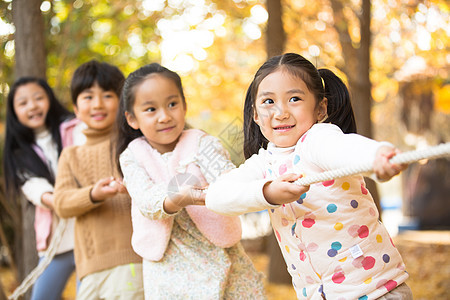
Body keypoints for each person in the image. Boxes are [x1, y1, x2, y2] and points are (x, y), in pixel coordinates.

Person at [206, 53, 413, 300]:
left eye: (294, 99)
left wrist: (376, 155)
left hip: (375, 290)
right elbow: (217, 196)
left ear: (320, 108)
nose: (280, 112)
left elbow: (346, 150)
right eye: (268, 102)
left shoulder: (318, 141)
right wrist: (267, 192)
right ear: (255, 114)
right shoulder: (263, 164)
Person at [116, 63, 266, 299]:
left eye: (172, 104)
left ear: (184, 106)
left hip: (219, 254)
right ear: (132, 118)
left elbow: (227, 178)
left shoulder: (202, 143)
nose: (164, 116)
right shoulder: (132, 156)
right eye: (151, 109)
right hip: (169, 266)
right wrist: (177, 198)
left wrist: (241, 188)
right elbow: (146, 200)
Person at [53, 60, 144, 299]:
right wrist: (93, 194)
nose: (98, 104)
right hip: (89, 269)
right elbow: (61, 203)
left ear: (122, 101)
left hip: (132, 260)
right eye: (88, 97)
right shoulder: (70, 155)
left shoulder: (134, 145)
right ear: (75, 108)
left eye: (107, 95)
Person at [2, 77, 82, 300]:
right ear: (14, 111)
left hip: (90, 233)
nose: (33, 106)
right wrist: (58, 200)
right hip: (57, 242)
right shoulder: (18, 153)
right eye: (23, 102)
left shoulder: (74, 128)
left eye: (38, 98)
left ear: (49, 99)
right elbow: (35, 188)